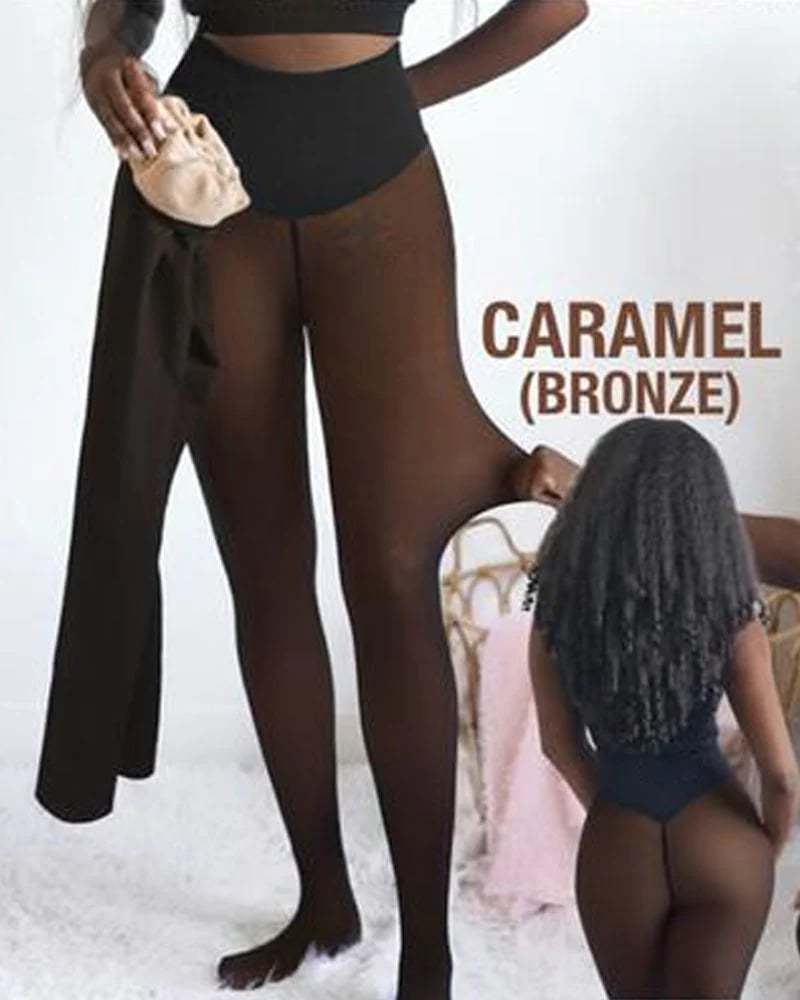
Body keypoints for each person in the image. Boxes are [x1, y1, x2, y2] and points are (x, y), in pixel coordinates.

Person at [38, 2, 592, 997]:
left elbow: (560, 7)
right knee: (265, 572)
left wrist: (394, 93)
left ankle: (427, 958)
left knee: (391, 576)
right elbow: (126, 11)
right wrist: (102, 54)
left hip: (374, 180)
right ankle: (323, 901)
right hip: (206, 179)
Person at [526, 417, 800, 1000]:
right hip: (722, 837)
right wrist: (764, 849)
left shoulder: (557, 611)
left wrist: (614, 809)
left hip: (618, 838)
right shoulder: (731, 614)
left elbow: (559, 744)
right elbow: (781, 776)